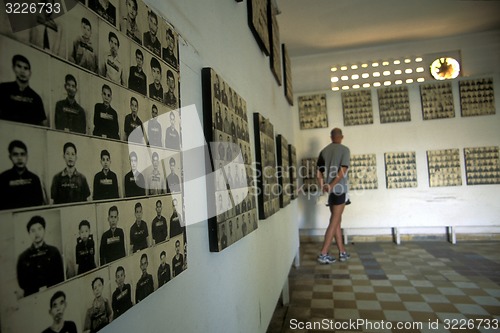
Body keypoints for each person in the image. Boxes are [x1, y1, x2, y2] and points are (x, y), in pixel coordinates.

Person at [316, 128, 351, 264]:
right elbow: (343, 170)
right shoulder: (345, 150)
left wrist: (323, 185)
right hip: (339, 189)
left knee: (336, 220)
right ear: (341, 136)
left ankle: (342, 252)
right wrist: (331, 184)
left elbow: (318, 172)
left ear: (331, 137)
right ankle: (323, 253)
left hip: (330, 191)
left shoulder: (324, 151)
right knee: (334, 220)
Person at [16, 216, 64, 297]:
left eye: (39, 229)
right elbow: (22, 284)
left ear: (44, 230)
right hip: (32, 297)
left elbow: (60, 277)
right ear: (29, 233)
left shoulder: (54, 251)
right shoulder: (23, 257)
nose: (36, 233)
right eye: (33, 230)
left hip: (53, 294)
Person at [0, 54, 47, 126]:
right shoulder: (3, 89)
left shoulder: (36, 98)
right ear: (13, 68)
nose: (22, 71)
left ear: (30, 73)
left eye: (26, 68)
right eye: (19, 66)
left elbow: (42, 124)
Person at [0, 140, 45, 210]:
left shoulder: (34, 179)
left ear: (27, 156)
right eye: (15, 154)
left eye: (22, 154)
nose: (19, 158)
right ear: (10, 157)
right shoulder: (3, 178)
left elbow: (39, 203)